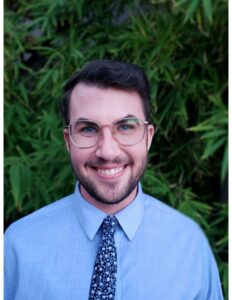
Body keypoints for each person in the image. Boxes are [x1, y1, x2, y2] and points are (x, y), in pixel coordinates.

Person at [4, 60, 223, 300]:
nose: (107, 152)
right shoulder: (16, 247)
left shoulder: (190, 245)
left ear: (148, 137)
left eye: (126, 127)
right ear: (68, 140)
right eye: (88, 129)